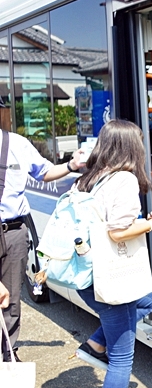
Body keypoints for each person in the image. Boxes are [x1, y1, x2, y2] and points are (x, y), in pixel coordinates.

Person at [71, 120, 152, 388]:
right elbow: (117, 232)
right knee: (122, 356)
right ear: (131, 146)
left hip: (85, 274)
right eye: (140, 141)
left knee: (151, 296)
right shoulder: (125, 180)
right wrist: (149, 224)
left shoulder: (90, 177)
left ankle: (96, 342)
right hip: (109, 277)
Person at [1, 133, 85, 362]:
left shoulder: (16, 144)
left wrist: (71, 165)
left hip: (14, 231)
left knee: (11, 297)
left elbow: (43, 172)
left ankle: (9, 352)